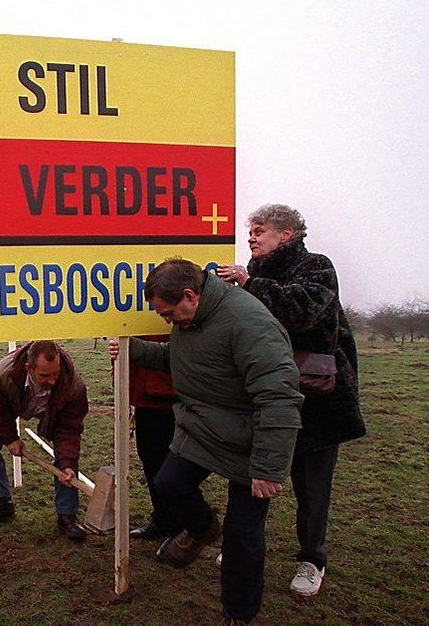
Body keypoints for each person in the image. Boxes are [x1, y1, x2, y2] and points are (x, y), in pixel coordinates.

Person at [110, 259, 302, 625]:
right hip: (202, 430)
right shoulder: (191, 318)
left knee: (242, 538)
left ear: (190, 295)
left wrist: (268, 468)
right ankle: (202, 529)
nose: (166, 321)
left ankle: (238, 614)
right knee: (168, 484)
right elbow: (185, 360)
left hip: (250, 443)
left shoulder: (249, 322)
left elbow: (279, 396)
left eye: (167, 314)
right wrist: (135, 350)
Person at [217, 204, 366, 597]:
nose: (250, 237)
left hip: (316, 399)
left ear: (287, 234)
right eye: (249, 230)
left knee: (312, 488)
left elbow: (303, 312)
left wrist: (250, 284)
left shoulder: (317, 266)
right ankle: (240, 546)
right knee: (251, 476)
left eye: (259, 230)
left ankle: (312, 560)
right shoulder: (254, 274)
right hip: (264, 397)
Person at [0, 340, 90, 540]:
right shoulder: (5, 372)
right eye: (45, 375)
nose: (52, 380)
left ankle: (67, 515)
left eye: (56, 373)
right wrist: (11, 439)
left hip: (52, 411)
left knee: (66, 459)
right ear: (29, 368)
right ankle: (3, 504)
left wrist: (69, 464)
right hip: (11, 405)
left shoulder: (72, 385)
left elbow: (69, 429)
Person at [127, 335, 177, 541]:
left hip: (167, 391)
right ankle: (163, 519)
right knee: (150, 458)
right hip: (145, 391)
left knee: (172, 464)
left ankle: (181, 525)